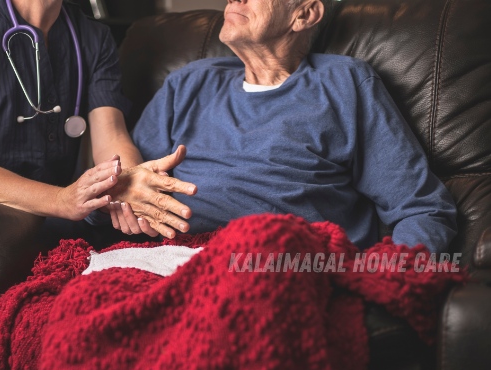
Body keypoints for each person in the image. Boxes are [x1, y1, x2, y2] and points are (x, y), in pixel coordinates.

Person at [113, 0, 457, 253]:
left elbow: (422, 209)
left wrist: (386, 278)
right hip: (175, 259)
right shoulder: (186, 84)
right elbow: (124, 189)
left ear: (304, 13)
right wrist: (116, 202)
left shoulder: (344, 83)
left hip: (283, 266)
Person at [0, 0, 197, 242]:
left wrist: (130, 183)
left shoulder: (93, 37)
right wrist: (61, 200)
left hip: (47, 222)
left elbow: (112, 136)